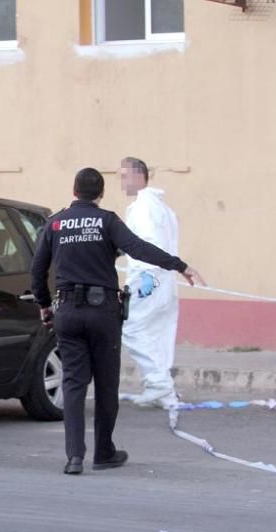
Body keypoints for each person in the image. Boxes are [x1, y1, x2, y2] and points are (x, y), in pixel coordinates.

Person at [30, 167, 203, 475]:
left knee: (73, 384)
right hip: (102, 313)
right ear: (100, 194)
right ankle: (104, 452)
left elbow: (37, 270)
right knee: (106, 385)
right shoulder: (107, 220)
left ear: (74, 191)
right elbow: (138, 248)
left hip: (67, 312)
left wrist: (44, 305)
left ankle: (74, 457)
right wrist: (179, 265)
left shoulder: (55, 223)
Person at [119, 157, 181, 408]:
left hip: (149, 278)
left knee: (132, 328)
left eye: (124, 176)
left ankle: (159, 383)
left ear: (138, 175)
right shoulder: (162, 208)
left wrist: (145, 278)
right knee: (158, 333)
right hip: (164, 280)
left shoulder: (143, 207)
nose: (122, 183)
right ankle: (164, 393)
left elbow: (145, 243)